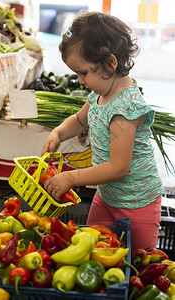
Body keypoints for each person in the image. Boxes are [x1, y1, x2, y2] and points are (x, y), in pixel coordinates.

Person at [41, 11, 163, 252]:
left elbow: (118, 167)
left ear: (110, 63)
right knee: (91, 251)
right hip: (106, 197)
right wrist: (58, 133)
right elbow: (78, 120)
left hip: (137, 203)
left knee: (139, 262)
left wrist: (71, 178)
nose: (79, 80)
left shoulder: (125, 108)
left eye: (84, 72)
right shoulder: (99, 94)